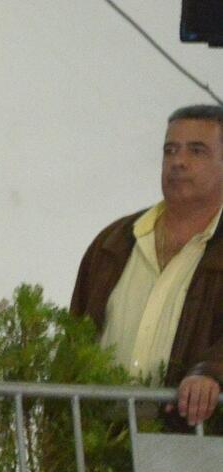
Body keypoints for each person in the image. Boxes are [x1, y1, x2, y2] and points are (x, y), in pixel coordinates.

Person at [74, 104, 223, 428]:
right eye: (170, 150)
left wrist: (211, 373)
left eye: (196, 150)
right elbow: (76, 335)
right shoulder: (113, 242)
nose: (178, 161)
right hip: (101, 439)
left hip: (196, 440)